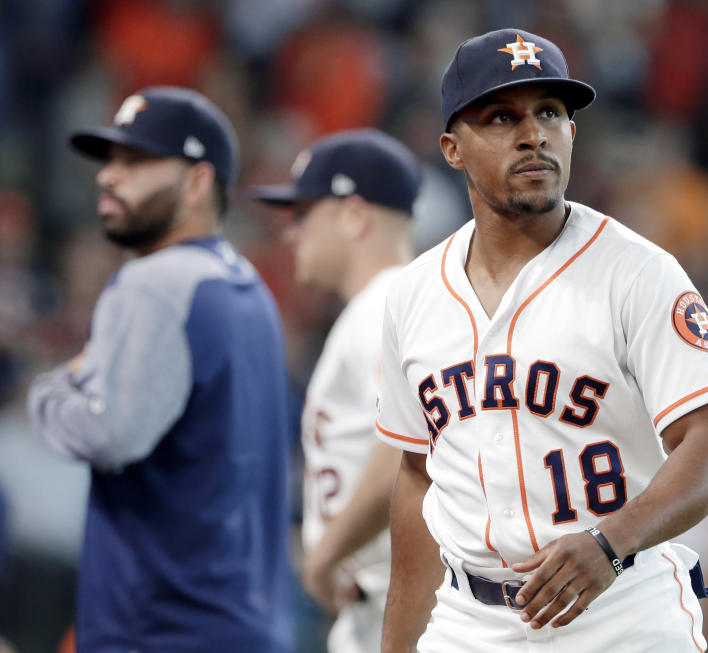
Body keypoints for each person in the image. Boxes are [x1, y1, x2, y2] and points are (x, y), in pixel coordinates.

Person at [375, 28, 708, 652]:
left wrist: (612, 541)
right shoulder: (412, 295)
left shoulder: (638, 272)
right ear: (451, 148)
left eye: (550, 112)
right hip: (468, 622)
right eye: (501, 116)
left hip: (620, 612)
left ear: (573, 133)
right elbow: (417, 476)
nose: (533, 134)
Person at [27, 86, 293, 652]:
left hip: (161, 628)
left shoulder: (153, 284)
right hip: (246, 624)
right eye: (111, 160)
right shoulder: (248, 288)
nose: (108, 176)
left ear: (197, 181)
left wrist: (50, 389)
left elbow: (111, 433)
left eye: (137, 161)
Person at [251, 128, 422, 653]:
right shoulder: (390, 302)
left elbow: (409, 441)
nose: (290, 232)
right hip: (382, 603)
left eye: (303, 214)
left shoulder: (386, 302)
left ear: (354, 214)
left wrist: (326, 552)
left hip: (404, 608)